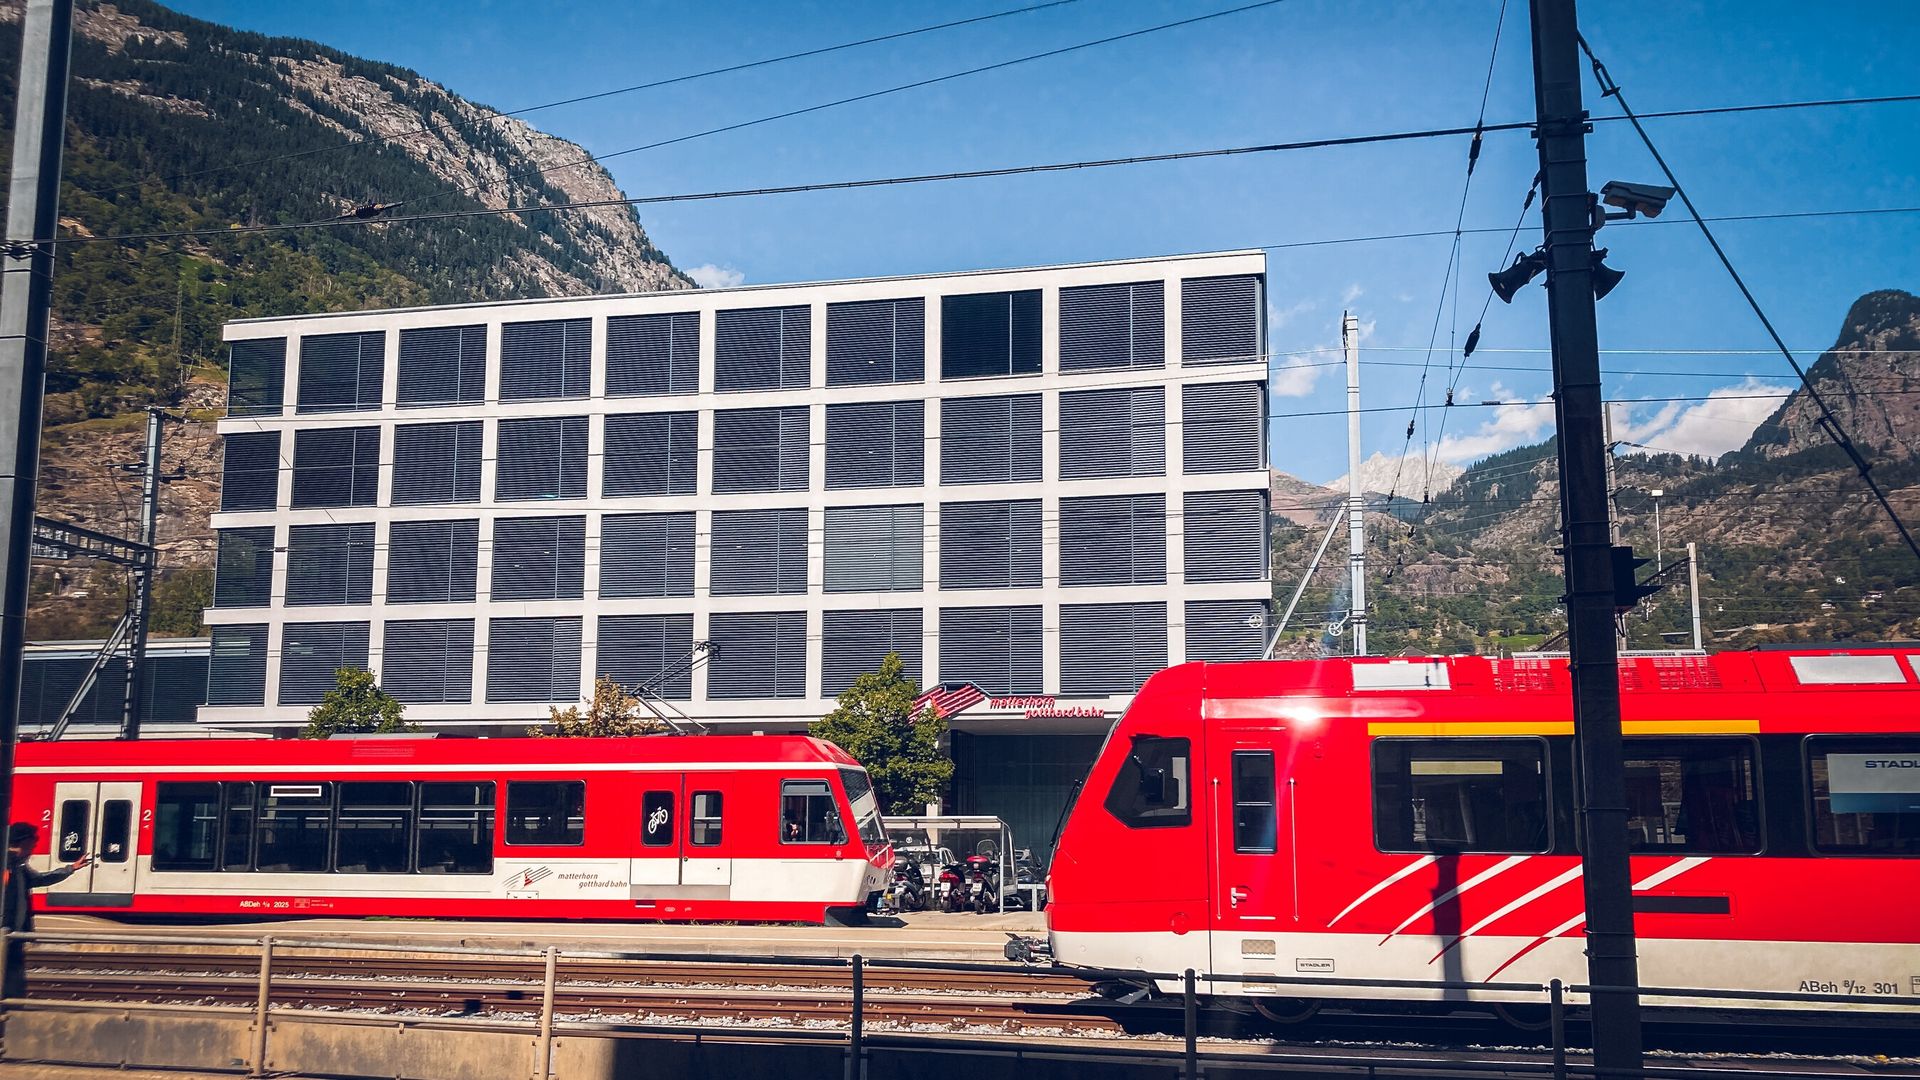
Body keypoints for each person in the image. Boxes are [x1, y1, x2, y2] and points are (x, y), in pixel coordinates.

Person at [4, 822, 87, 1000]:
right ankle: (11, 1003)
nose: (34, 847)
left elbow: (40, 879)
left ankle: (13, 1001)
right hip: (7, 932)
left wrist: (70, 868)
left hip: (13, 933)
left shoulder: (19, 866)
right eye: (33, 842)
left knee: (12, 972)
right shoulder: (9, 865)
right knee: (10, 972)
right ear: (24, 842)